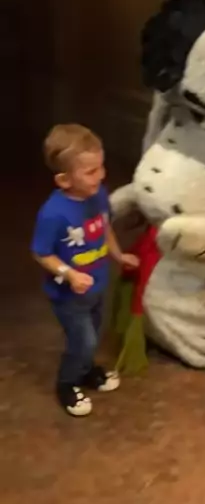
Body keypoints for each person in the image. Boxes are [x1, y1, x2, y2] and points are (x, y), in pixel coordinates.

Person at [31, 124, 139, 417]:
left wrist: (118, 255)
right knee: (84, 340)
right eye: (90, 172)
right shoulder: (53, 214)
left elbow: (104, 227)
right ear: (64, 179)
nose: (100, 176)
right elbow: (41, 253)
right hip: (68, 296)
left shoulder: (98, 195)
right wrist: (70, 274)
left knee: (94, 332)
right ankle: (66, 384)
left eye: (100, 167)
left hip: (98, 285)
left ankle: (87, 370)